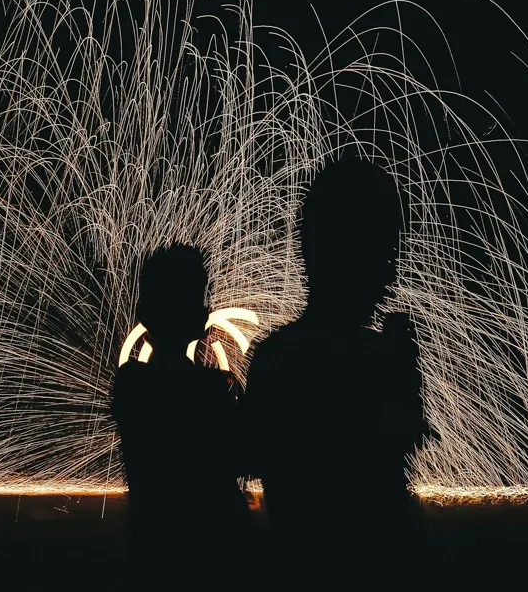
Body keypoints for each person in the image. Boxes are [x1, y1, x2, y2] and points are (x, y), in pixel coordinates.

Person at [244, 156, 428, 581]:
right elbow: (387, 464)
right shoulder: (375, 359)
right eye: (385, 249)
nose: (392, 270)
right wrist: (402, 371)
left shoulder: (275, 356)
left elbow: (257, 459)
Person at [111, 244, 252, 589]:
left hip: (152, 553)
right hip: (211, 557)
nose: (207, 306)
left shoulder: (131, 382)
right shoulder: (211, 390)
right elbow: (243, 458)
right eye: (199, 297)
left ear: (145, 313)